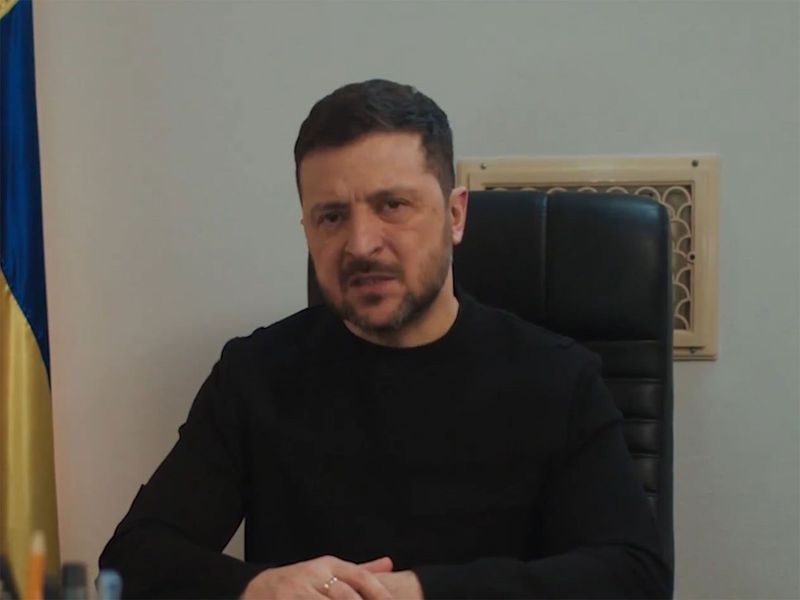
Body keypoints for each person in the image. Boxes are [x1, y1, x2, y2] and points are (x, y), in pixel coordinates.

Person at [99, 79, 672, 599]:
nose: (361, 244)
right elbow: (131, 561)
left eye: (392, 205)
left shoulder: (557, 378)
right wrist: (257, 588)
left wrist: (420, 592)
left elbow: (634, 576)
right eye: (331, 217)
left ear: (455, 215)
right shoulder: (255, 374)